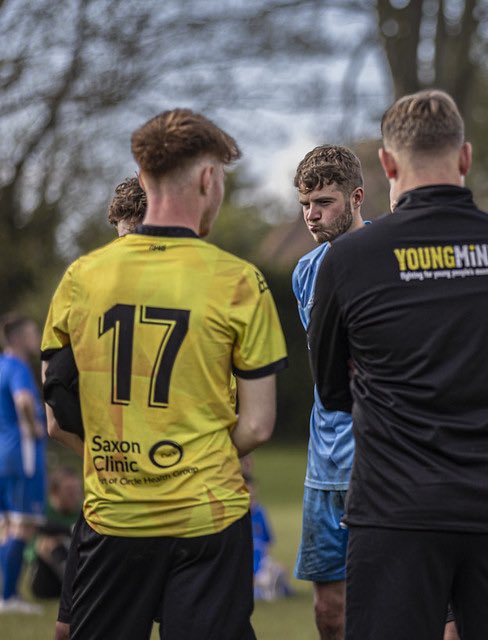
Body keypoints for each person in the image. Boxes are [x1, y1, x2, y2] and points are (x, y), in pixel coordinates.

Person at [309, 89, 488, 640]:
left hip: (395, 509)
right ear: (464, 158)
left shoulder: (350, 259)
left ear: (388, 164)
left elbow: (330, 390)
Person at [41, 108, 288, 639]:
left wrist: (124, 462)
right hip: (208, 520)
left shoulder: (81, 278)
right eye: (220, 177)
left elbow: (57, 416)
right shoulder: (240, 282)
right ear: (206, 178)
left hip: (113, 518)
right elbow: (259, 425)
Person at [44, 175, 148, 640]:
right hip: (176, 489)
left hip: (109, 491)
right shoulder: (193, 289)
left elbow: (54, 414)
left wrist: (96, 452)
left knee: (73, 627)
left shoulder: (84, 286)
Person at [291, 145, 364, 640]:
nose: (312, 215)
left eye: (324, 202)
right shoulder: (304, 271)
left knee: (389, 599)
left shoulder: (389, 257)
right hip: (324, 465)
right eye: (305, 204)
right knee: (328, 612)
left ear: (357, 197)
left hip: (379, 459)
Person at [0, 314, 47, 614]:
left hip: (4, 453)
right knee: (23, 525)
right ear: (18, 338)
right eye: (33, 333)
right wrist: (32, 428)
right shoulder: (17, 366)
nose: (37, 338)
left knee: (6, 525)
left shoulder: (1, 365)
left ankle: (6, 595)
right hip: (22, 453)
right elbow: (24, 401)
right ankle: (8, 597)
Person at [28, 466, 83, 599]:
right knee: (48, 542)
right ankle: (73, 585)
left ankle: (77, 585)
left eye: (77, 490)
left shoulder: (84, 510)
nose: (74, 495)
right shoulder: (41, 510)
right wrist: (69, 530)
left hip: (77, 563)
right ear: (54, 492)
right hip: (45, 577)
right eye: (69, 490)